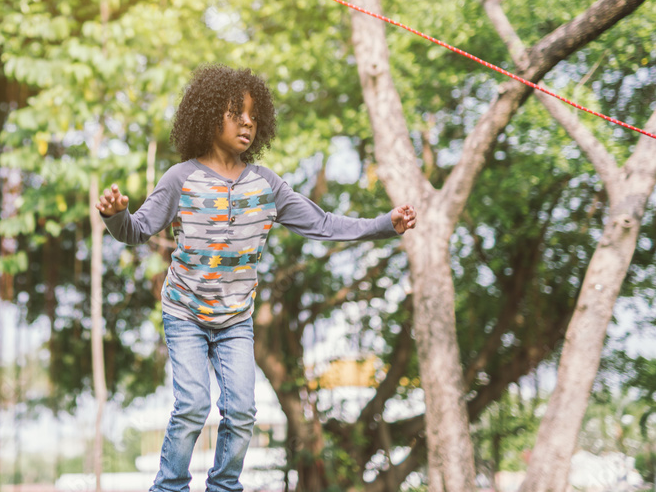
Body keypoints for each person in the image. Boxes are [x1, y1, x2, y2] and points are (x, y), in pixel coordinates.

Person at [96, 64, 416, 492]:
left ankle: (224, 487)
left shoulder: (266, 185)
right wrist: (116, 216)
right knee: (192, 405)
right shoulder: (181, 178)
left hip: (234, 320)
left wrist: (383, 224)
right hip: (185, 312)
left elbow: (322, 224)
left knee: (243, 412)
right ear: (210, 117)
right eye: (235, 113)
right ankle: (169, 487)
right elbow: (135, 231)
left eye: (253, 115)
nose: (247, 122)